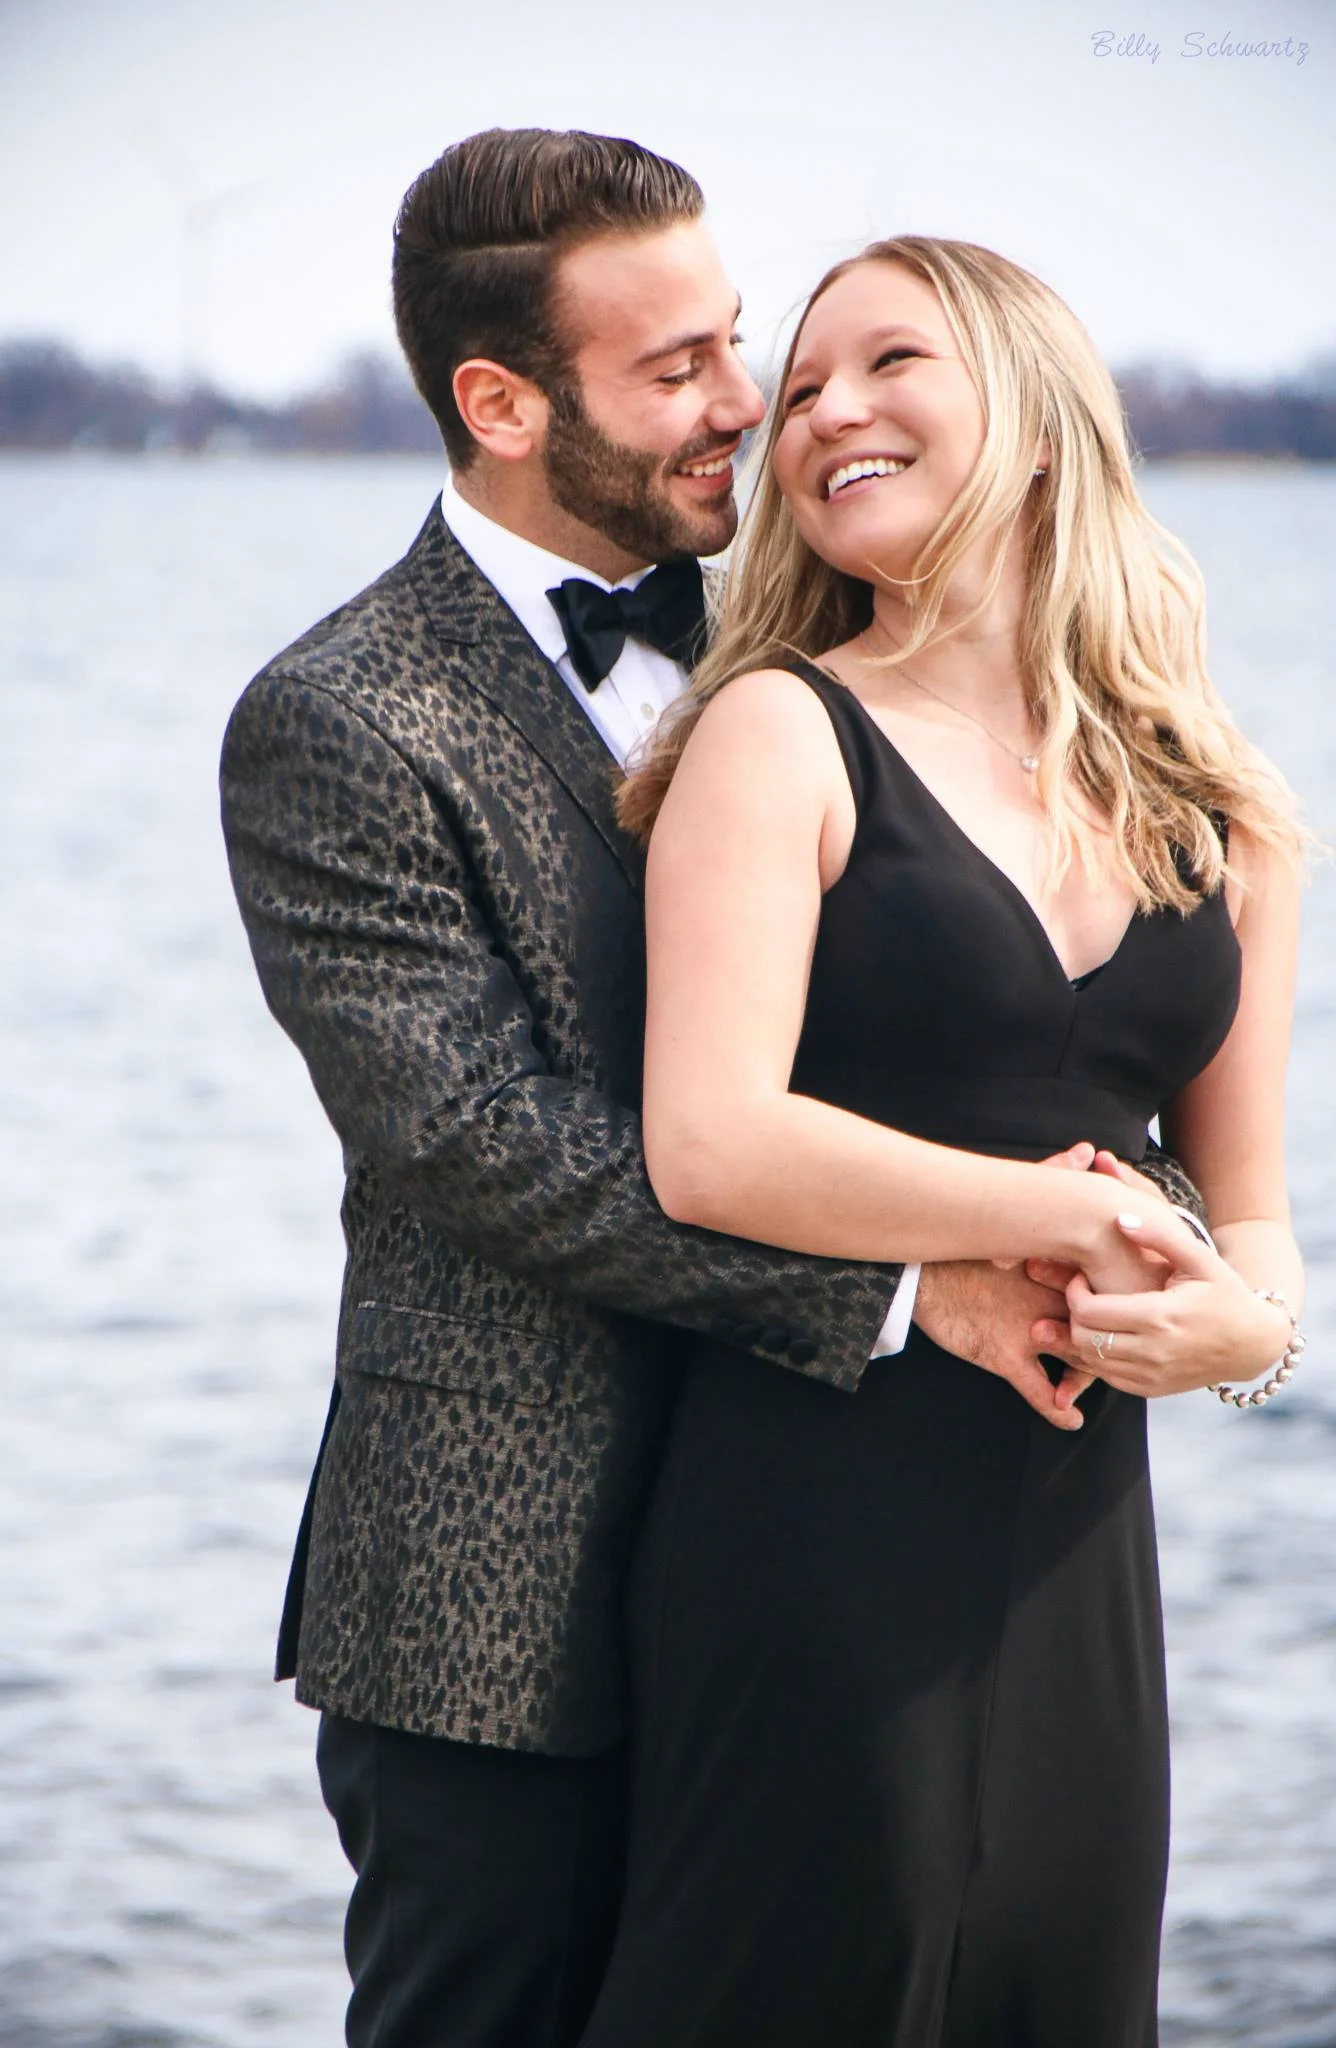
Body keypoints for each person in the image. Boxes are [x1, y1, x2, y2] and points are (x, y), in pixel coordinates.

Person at [221, 133, 1204, 2045]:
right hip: (510, 1583)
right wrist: (916, 1287)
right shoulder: (340, 717)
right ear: (500, 405)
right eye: (677, 368)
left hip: (831, 1542)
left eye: (740, 342)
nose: (751, 405)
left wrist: (1208, 1286)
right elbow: (487, 1144)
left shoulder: (824, 637)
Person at [573, 237, 1306, 2048]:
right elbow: (710, 1143)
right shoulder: (776, 733)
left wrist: (1253, 1340)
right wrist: (1061, 1215)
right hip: (807, 1508)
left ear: (1038, 416)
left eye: (887, 363)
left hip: (1077, 1539)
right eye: (800, 388)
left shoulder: (1227, 810)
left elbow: (1265, 1225)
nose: (824, 414)